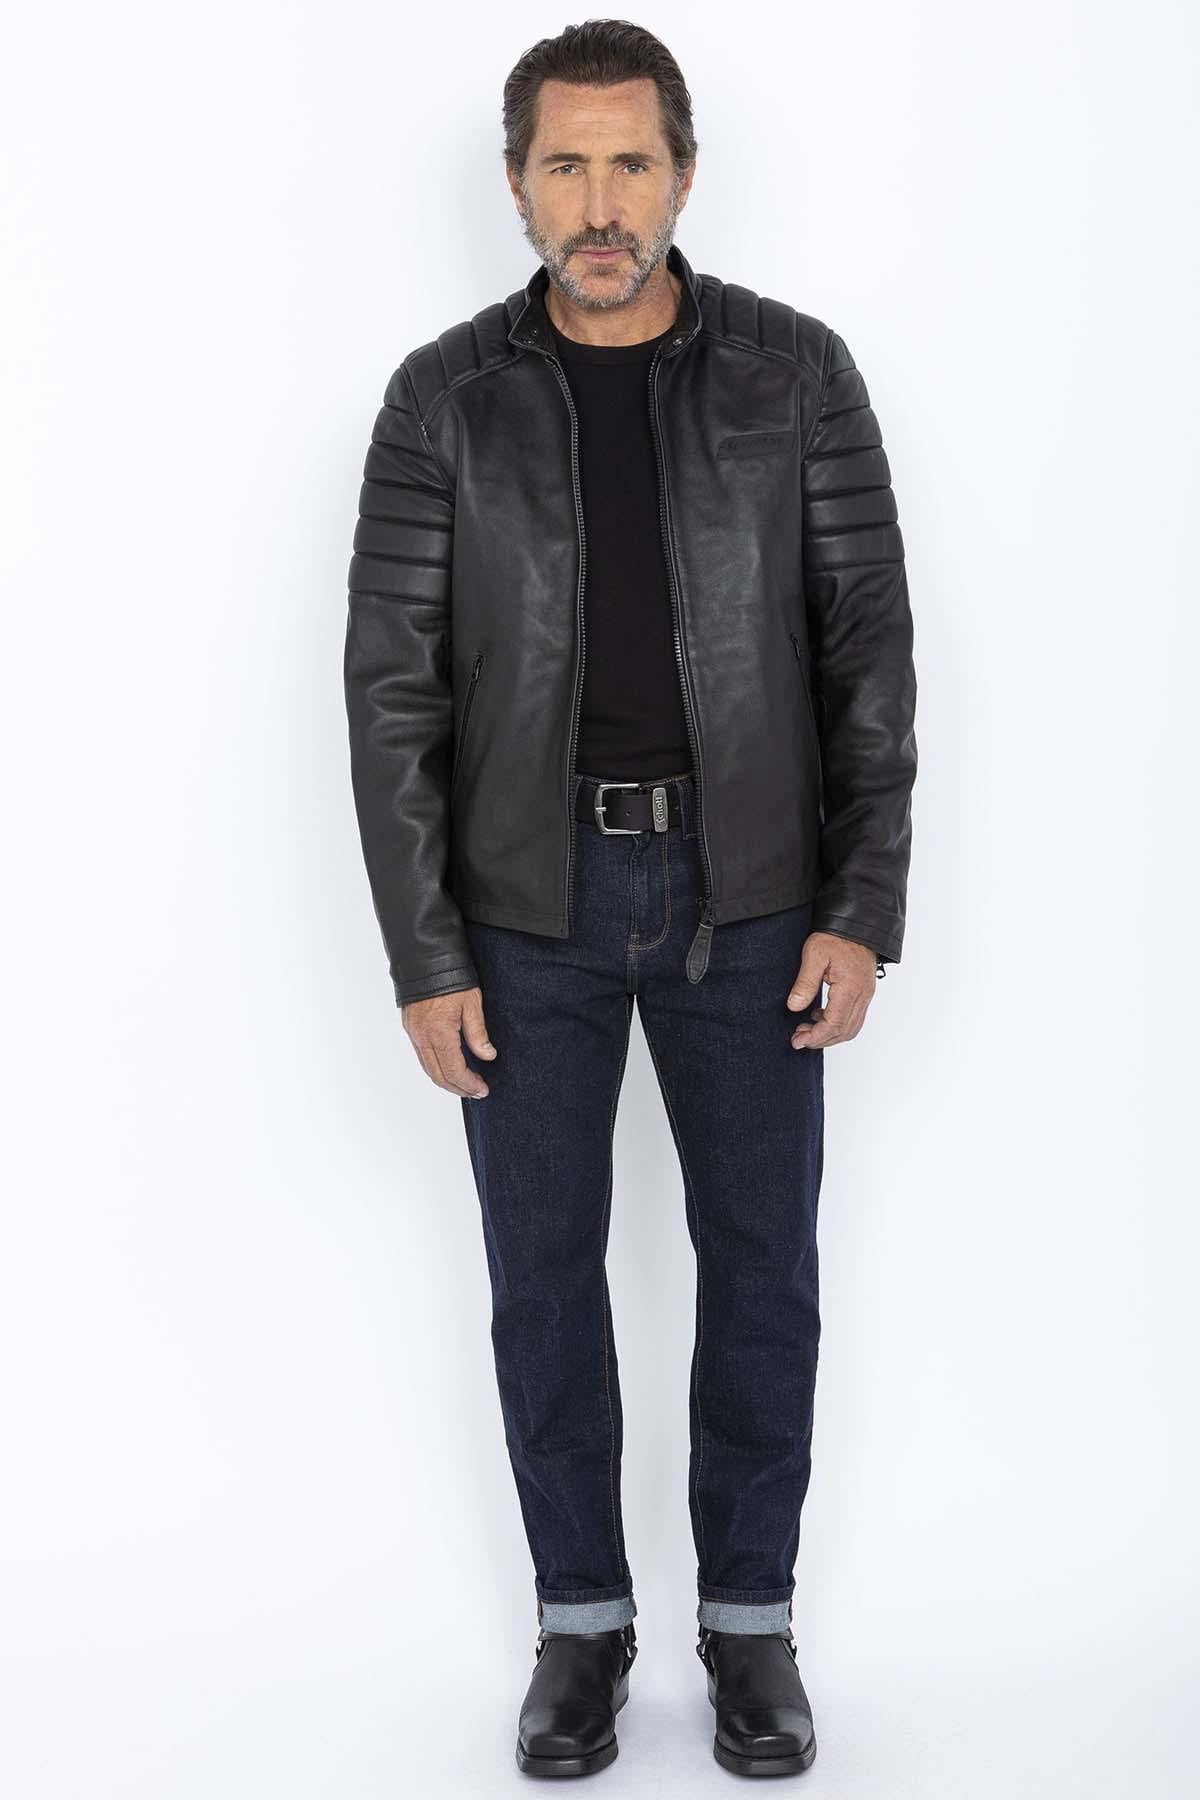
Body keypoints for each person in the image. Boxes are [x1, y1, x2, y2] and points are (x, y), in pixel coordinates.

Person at [343, 18, 917, 1780]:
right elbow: (392, 694)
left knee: (763, 1271)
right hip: (527, 908)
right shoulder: (441, 400)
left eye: (632, 163)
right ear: (519, 186)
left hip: (754, 901)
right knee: (541, 1279)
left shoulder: (796, 378)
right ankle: (581, 1627)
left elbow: (867, 658)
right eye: (566, 166)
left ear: (682, 174)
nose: (601, 203)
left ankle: (750, 1628)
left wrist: (860, 904)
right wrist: (426, 951)